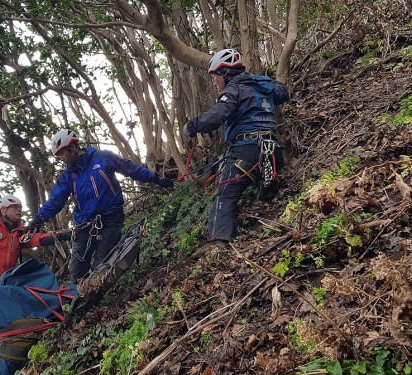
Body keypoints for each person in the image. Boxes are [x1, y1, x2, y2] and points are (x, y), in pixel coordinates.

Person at [26, 129, 174, 282]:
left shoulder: (102, 157)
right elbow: (56, 200)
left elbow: (130, 169)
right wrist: (39, 217)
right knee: (75, 270)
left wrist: (155, 179)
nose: (63, 158)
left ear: (74, 147)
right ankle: (80, 298)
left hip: (111, 219)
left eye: (64, 153)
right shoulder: (67, 176)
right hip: (84, 225)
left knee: (101, 265)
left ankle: (96, 292)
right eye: (59, 156)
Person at [183, 48, 289, 253]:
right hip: (273, 151)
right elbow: (283, 92)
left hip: (246, 153)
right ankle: (269, 192)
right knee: (262, 185)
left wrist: (191, 126)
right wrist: (264, 81)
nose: (215, 83)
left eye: (216, 77)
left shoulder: (234, 89)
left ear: (226, 74)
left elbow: (215, 117)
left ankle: (217, 242)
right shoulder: (262, 84)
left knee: (224, 195)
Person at [0, 194, 71, 368]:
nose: (19, 211)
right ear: (3, 210)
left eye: (20, 208)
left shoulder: (19, 232)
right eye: (14, 208)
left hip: (4, 283)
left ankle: (3, 354)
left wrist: (62, 236)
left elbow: (36, 239)